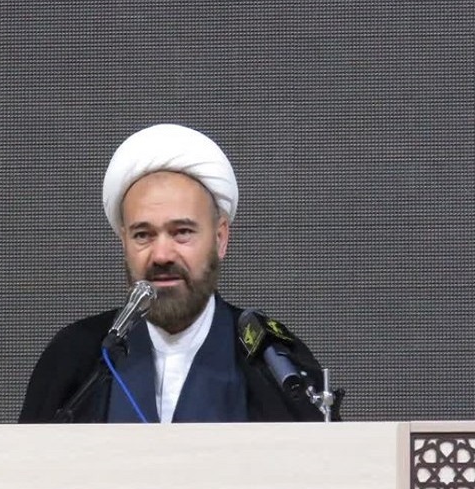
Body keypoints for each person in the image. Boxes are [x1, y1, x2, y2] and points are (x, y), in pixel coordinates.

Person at [19, 124, 325, 424]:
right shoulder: (75, 359)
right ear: (124, 242)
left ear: (220, 238)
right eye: (143, 235)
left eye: (182, 232)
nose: (162, 255)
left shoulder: (273, 364)